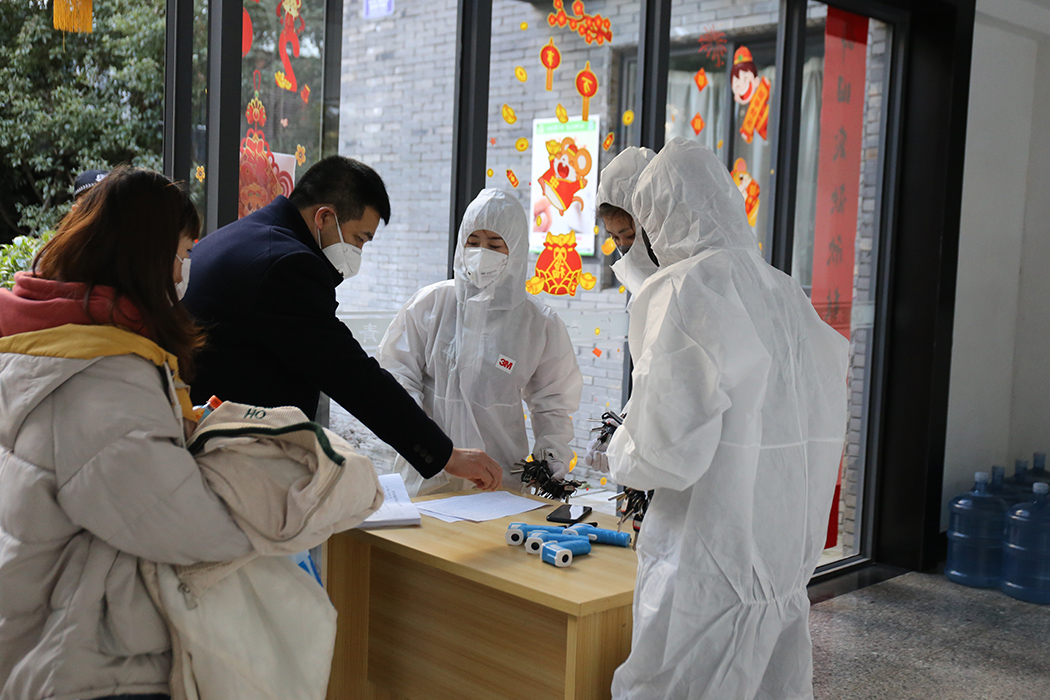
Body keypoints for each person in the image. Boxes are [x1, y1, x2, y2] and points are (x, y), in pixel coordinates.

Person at [606, 138, 849, 700]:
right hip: (781, 566)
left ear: (660, 216)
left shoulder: (686, 287)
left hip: (706, 566)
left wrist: (619, 450)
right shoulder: (784, 290)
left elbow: (663, 454)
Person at [0, 166, 251, 700]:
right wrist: (270, 518)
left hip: (31, 614)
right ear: (148, 256)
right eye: (183, 253)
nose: (184, 270)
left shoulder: (44, 334)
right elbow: (182, 526)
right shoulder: (106, 373)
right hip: (85, 656)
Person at [183, 156, 502, 491]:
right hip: (227, 464)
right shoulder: (288, 265)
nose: (358, 251)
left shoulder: (244, 235)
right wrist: (446, 455)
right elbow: (352, 376)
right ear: (324, 217)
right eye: (359, 239)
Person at [378, 189, 582, 495]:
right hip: (428, 476)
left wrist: (549, 461)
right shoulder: (431, 304)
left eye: (495, 245)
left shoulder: (537, 322)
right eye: (473, 242)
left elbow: (553, 403)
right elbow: (396, 376)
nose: (481, 252)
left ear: (515, 249)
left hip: (498, 480)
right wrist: (423, 442)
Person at [585, 147, 659, 474]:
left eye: (629, 235)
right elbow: (650, 379)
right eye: (614, 237)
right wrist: (620, 426)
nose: (623, 247)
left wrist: (629, 440)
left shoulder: (686, 288)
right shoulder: (646, 291)